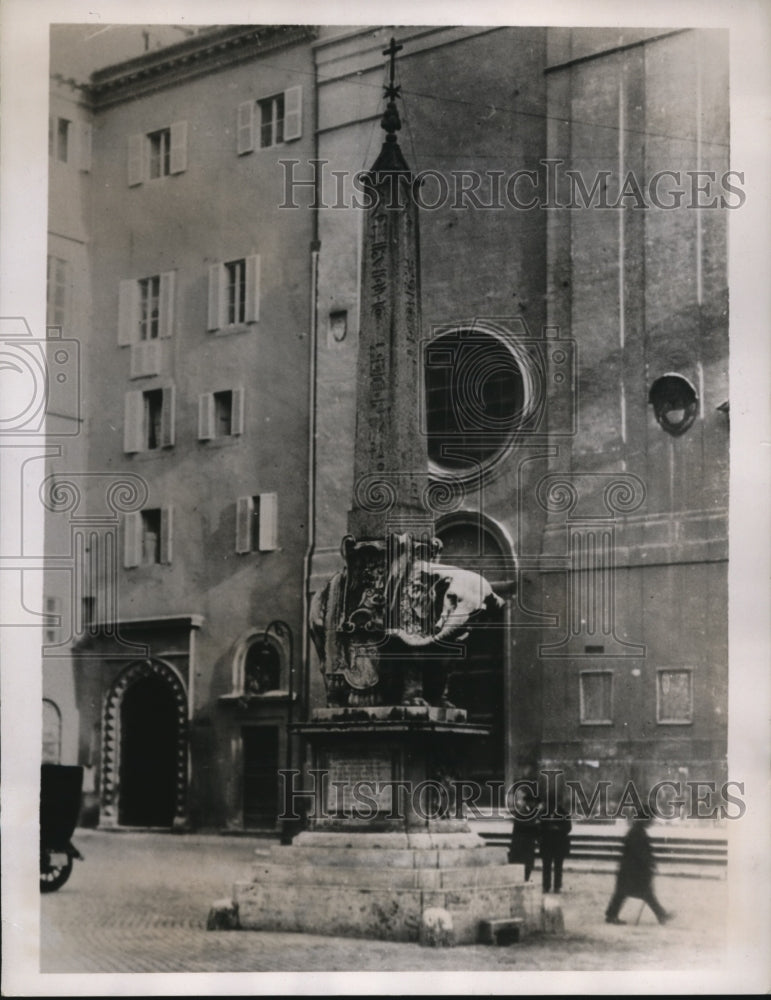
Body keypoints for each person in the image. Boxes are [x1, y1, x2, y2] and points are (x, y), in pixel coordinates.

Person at [605, 815, 675, 925]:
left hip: (629, 869)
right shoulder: (637, 833)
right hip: (632, 870)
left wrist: (650, 862)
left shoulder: (637, 831)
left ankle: (611, 915)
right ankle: (661, 915)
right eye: (651, 819)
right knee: (641, 893)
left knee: (627, 892)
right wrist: (649, 864)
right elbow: (640, 853)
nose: (652, 821)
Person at [538, 795, 572, 894]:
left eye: (553, 805)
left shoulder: (564, 813)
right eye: (549, 804)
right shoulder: (543, 813)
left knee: (558, 866)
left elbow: (568, 828)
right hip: (547, 843)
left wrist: (558, 828)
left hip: (559, 843)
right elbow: (539, 826)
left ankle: (557, 886)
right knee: (546, 866)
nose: (551, 807)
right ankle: (546, 886)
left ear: (557, 804)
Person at [508, 786, 539, 882]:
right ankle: (522, 880)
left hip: (528, 843)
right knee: (522, 864)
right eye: (533, 802)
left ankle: (525, 879)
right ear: (528, 802)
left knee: (528, 864)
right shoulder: (522, 812)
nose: (535, 804)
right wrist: (535, 824)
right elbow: (523, 825)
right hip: (521, 843)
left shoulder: (531, 812)